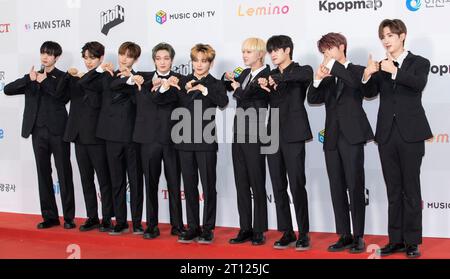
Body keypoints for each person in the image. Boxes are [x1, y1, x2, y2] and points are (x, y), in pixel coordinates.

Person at [362, 19, 432, 258]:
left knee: (411, 188)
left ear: (402, 35)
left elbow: (418, 84)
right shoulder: (381, 64)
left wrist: (396, 71)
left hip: (411, 133)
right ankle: (396, 240)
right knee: (393, 189)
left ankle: (412, 241)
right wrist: (368, 75)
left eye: (390, 35)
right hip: (386, 134)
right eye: (383, 36)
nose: (386, 40)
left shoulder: (419, 62)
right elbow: (370, 93)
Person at [307, 32, 374, 253]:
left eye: (329, 49)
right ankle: (344, 234)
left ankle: (359, 236)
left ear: (342, 47)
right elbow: (312, 99)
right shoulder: (327, 75)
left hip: (352, 135)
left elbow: (358, 85)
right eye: (324, 52)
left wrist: (333, 67)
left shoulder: (355, 70)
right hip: (332, 138)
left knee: (355, 186)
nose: (326, 55)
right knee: (336, 187)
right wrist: (317, 78)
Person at [4, 41, 76, 229]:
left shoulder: (63, 77)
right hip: (37, 131)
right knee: (43, 174)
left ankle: (69, 217)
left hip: (59, 131)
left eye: (50, 54)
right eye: (43, 52)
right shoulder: (32, 76)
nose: (45, 56)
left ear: (57, 57)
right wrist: (29, 79)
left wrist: (44, 82)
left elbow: (63, 98)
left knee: (64, 172)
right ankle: (50, 217)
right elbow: (8, 89)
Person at [258, 35, 313, 251]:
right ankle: (287, 231)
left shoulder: (301, 70)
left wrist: (278, 80)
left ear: (288, 50)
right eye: (270, 51)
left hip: (294, 133)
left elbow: (304, 76)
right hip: (272, 134)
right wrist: (264, 84)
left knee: (297, 184)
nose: (272, 54)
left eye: (276, 50)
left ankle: (304, 233)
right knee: (278, 185)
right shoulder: (270, 74)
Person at [55, 41, 114, 232]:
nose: (88, 62)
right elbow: (59, 96)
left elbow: (97, 98)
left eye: (93, 58)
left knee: (104, 179)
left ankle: (107, 218)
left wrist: (90, 74)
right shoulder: (76, 77)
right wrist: (66, 75)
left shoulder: (104, 77)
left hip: (97, 136)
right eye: (86, 58)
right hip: (79, 135)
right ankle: (92, 217)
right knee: (86, 179)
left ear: (101, 58)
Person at [130, 43, 185, 239]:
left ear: (172, 60)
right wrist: (133, 80)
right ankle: (151, 225)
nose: (162, 62)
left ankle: (177, 225)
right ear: (154, 60)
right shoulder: (142, 79)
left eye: (166, 58)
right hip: (147, 140)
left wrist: (167, 87)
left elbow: (175, 102)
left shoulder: (180, 80)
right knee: (150, 184)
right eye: (159, 58)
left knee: (174, 184)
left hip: (171, 140)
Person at [175, 44, 229, 244]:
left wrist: (204, 89)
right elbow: (171, 101)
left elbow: (222, 102)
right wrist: (181, 86)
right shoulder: (182, 81)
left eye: (204, 60)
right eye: (196, 60)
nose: (199, 64)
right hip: (184, 141)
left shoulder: (215, 84)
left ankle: (208, 228)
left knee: (208, 186)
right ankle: (192, 227)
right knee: (189, 186)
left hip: (206, 141)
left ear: (210, 63)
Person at [223, 38, 270, 246]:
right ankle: (245, 228)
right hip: (238, 133)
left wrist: (236, 88)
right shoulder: (243, 74)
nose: (244, 55)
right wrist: (228, 80)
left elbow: (247, 96)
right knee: (241, 182)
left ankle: (259, 229)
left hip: (256, 134)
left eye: (249, 52)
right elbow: (228, 86)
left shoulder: (268, 76)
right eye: (243, 51)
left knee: (257, 182)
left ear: (260, 54)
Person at [95, 42, 144, 236]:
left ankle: (138, 222)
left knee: (136, 181)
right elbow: (112, 87)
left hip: (133, 137)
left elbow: (138, 99)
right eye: (122, 54)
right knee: (117, 181)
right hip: (112, 137)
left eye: (129, 56)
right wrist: (128, 81)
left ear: (135, 59)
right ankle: (121, 222)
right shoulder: (108, 76)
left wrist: (132, 80)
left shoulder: (140, 78)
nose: (124, 59)